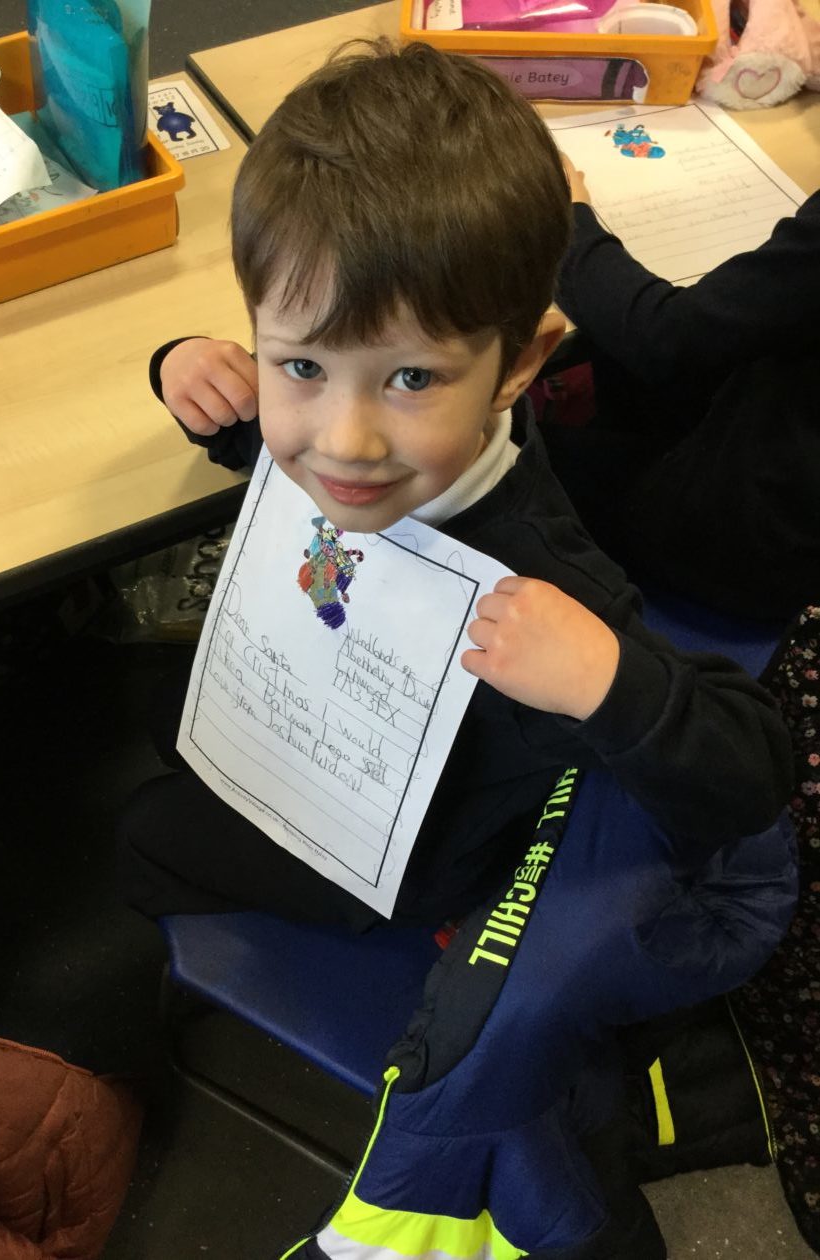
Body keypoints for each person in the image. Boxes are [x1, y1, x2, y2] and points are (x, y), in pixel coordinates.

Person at [118, 40, 795, 1258]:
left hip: (413, 849)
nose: (345, 439)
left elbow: (751, 769)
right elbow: (283, 444)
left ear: (521, 364)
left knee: (139, 827)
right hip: (320, 725)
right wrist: (187, 375)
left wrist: (606, 679)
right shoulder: (354, 441)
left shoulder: (534, 568)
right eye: (300, 363)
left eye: (412, 378)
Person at [542, 156, 820, 621]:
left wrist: (566, 221)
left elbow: (666, 337)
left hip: (753, 540)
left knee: (511, 446)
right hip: (772, 438)